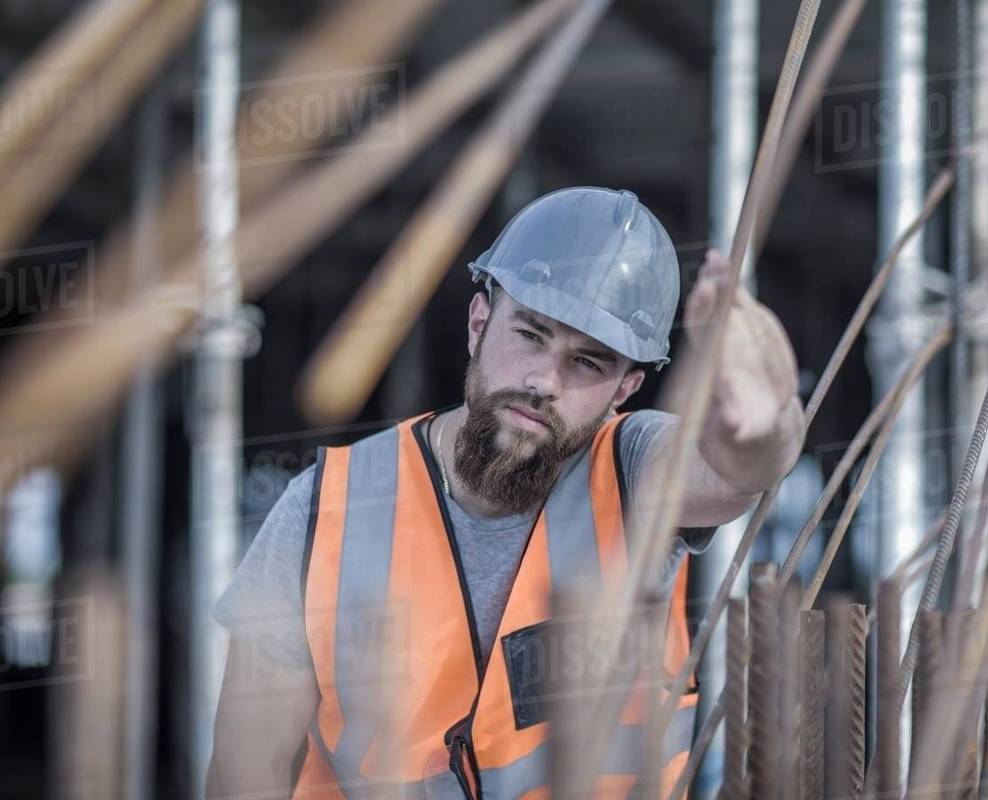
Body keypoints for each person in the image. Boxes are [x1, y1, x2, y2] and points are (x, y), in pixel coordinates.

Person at [206, 186, 805, 799]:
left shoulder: (632, 474)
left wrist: (767, 423)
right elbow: (245, 770)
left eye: (588, 363)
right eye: (530, 334)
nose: (544, 379)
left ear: (623, 390)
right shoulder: (319, 511)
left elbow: (732, 471)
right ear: (478, 324)